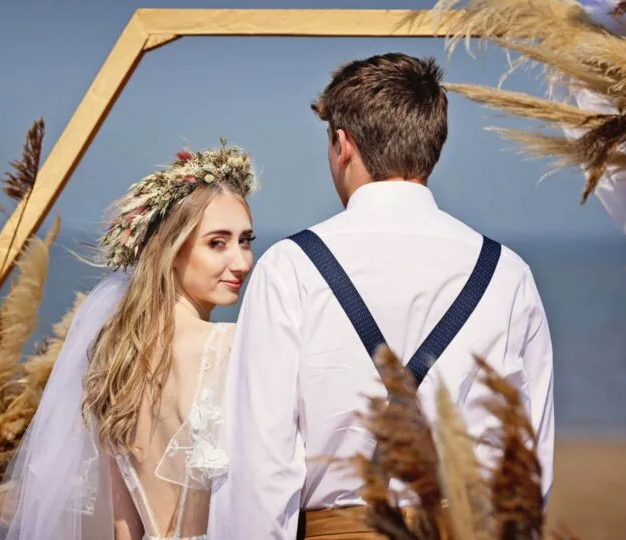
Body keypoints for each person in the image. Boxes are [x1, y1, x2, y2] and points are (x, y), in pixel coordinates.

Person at [207, 53, 554, 539]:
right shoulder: (507, 274)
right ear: (433, 143)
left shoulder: (292, 267)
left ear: (342, 144)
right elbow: (526, 457)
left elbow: (260, 464)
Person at [0, 142, 258, 540]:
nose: (240, 262)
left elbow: (125, 528)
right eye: (217, 243)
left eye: (245, 240)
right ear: (171, 249)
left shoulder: (117, 356)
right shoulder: (231, 347)